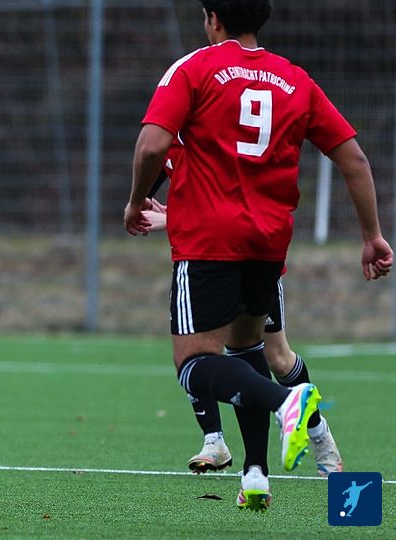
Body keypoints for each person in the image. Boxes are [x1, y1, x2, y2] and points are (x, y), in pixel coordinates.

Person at [124, 0, 392, 512]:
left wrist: (136, 201)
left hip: (209, 243)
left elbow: (152, 147)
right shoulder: (295, 79)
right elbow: (354, 158)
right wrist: (372, 235)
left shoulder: (196, 68)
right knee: (248, 351)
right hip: (268, 244)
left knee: (193, 364)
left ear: (212, 17)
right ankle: (256, 475)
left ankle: (286, 402)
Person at [142, 195, 342, 478]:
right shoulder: (177, 163)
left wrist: (171, 217)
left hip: (251, 256)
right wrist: (151, 205)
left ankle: (315, 430)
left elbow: (236, 199)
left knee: (276, 357)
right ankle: (221, 444)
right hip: (203, 258)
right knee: (198, 348)